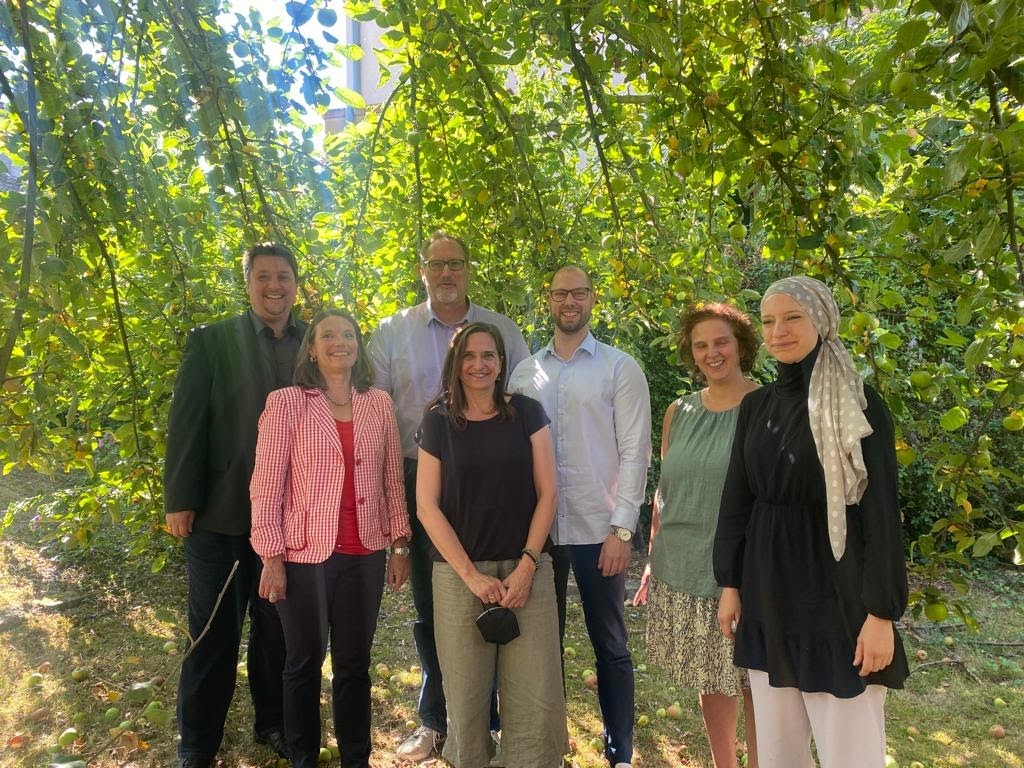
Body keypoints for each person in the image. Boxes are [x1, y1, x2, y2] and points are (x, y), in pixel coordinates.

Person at [714, 276, 909, 768]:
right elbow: (738, 499)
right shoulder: (756, 407)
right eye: (769, 321)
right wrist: (731, 584)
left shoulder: (860, 406)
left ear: (821, 320)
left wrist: (881, 614)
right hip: (769, 589)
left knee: (850, 749)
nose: (779, 331)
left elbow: (882, 516)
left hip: (838, 594)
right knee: (778, 750)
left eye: (792, 317)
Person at [367, 231, 530, 761]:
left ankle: (493, 723)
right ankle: (437, 721)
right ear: (422, 270)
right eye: (436, 264)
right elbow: (376, 418)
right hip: (422, 478)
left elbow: (525, 407)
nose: (445, 273)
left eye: (455, 263)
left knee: (497, 595)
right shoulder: (392, 332)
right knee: (432, 605)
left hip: (495, 479)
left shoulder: (503, 331)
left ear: (468, 270)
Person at [250, 309, 411, 768]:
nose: (339, 341)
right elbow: (266, 484)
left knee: (354, 665)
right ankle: (304, 757)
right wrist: (271, 555)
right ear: (312, 348)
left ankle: (355, 758)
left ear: (357, 344)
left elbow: (391, 479)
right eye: (328, 335)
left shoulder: (377, 403)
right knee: (302, 663)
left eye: (348, 334)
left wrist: (399, 543)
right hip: (304, 555)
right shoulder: (286, 403)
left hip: (363, 553)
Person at [164, 242, 303, 767]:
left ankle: (272, 724)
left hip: (293, 522)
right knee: (212, 637)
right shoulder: (213, 341)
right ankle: (197, 744)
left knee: (276, 637)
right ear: (246, 283)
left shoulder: (314, 343)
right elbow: (186, 425)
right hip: (221, 517)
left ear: (295, 283)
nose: (275, 286)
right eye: (263, 276)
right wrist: (180, 498)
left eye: (284, 276)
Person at [508, 265, 651, 768]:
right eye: (560, 292)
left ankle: (620, 754)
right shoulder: (525, 374)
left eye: (579, 292)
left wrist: (622, 528)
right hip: (540, 536)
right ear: (548, 300)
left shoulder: (620, 368)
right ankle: (548, 746)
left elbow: (636, 452)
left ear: (593, 299)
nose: (570, 300)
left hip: (598, 531)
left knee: (610, 644)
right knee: (541, 650)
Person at [415, 322, 566, 768]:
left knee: (535, 694)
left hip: (528, 572)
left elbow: (549, 494)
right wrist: (472, 576)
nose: (479, 365)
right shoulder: (438, 421)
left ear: (502, 363)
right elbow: (426, 505)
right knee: (465, 697)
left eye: (489, 355)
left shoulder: (528, 412)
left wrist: (527, 566)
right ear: (456, 363)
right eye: (469, 356)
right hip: (459, 576)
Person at [632, 303, 760, 768]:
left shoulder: (764, 406)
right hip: (682, 564)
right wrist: (650, 557)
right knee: (713, 678)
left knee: (755, 684)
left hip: (745, 571)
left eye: (721, 341)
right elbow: (665, 492)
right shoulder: (678, 412)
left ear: (741, 345)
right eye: (701, 345)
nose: (712, 353)